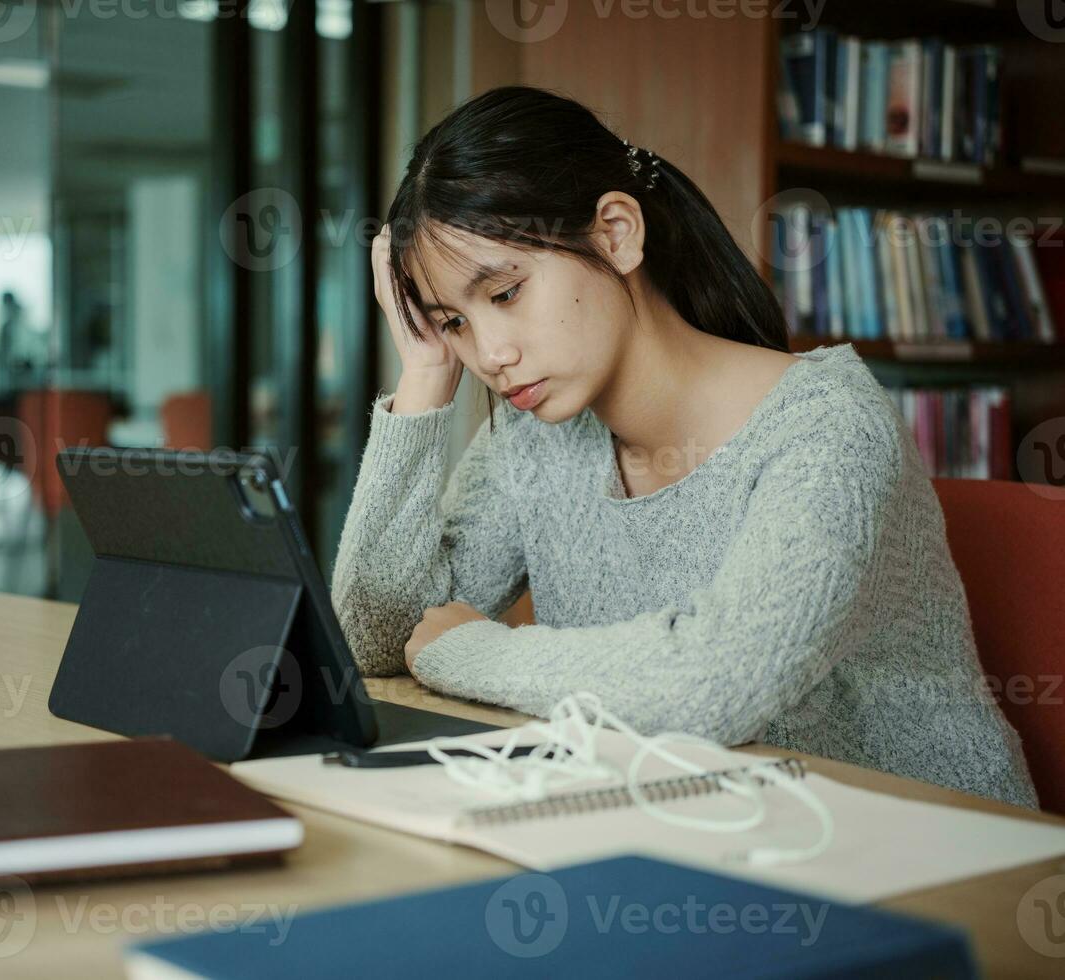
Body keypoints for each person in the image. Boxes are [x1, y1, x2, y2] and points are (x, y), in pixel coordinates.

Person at [329, 86, 1036, 808]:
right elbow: (380, 639)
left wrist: (473, 651)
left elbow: (717, 683)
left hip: (926, 846)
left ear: (615, 233)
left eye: (505, 294)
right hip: (705, 828)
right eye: (454, 322)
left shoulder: (828, 425)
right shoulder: (532, 434)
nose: (491, 353)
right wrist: (423, 374)